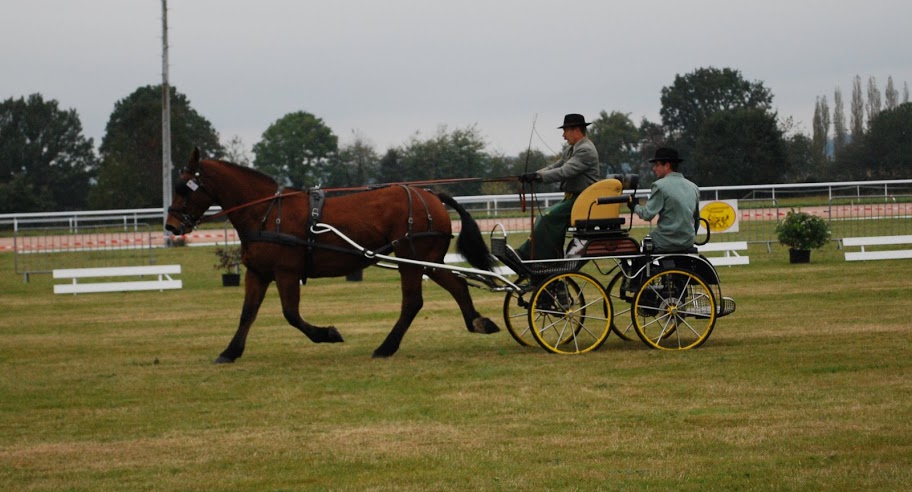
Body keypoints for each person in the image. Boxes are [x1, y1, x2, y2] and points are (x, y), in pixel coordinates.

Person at [515, 113, 600, 260]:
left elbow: (564, 171)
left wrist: (537, 177)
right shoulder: (570, 149)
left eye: (565, 130)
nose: (563, 135)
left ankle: (532, 255)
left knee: (547, 217)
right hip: (573, 199)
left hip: (583, 201)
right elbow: (554, 166)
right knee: (543, 217)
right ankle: (545, 256)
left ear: (576, 130)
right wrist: (534, 174)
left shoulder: (586, 150)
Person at [628, 147, 701, 253]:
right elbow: (696, 220)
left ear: (667, 165)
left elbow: (647, 215)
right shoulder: (693, 187)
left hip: (665, 241)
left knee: (641, 247)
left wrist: (634, 206)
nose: (654, 169)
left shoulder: (659, 186)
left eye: (657, 165)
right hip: (687, 240)